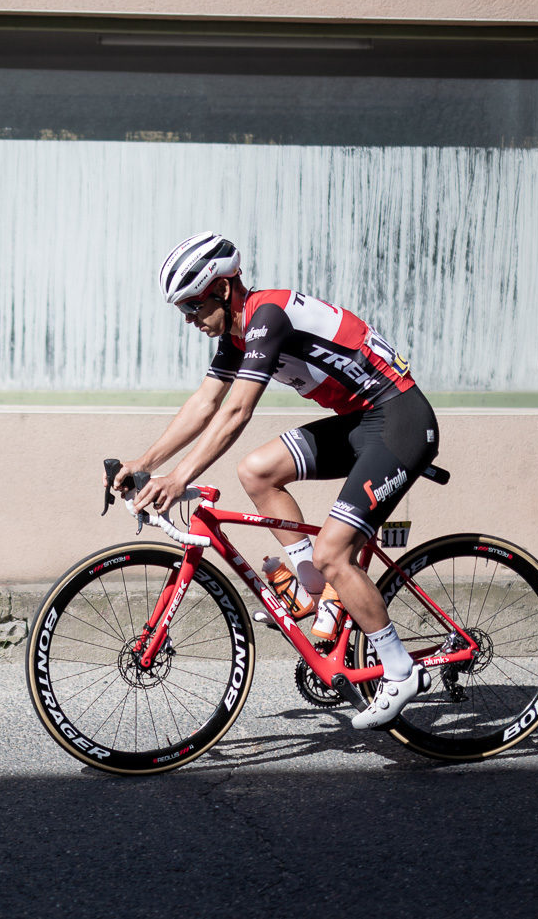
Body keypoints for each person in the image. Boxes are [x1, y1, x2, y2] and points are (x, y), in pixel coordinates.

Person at [111, 231, 440, 728]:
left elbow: (236, 411)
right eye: (182, 310)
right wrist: (144, 462)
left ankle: (400, 669)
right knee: (256, 470)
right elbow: (205, 404)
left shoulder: (268, 316)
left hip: (401, 420)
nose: (189, 319)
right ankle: (312, 589)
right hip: (361, 422)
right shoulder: (236, 334)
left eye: (194, 305)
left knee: (333, 551)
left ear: (223, 289)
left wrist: (178, 478)